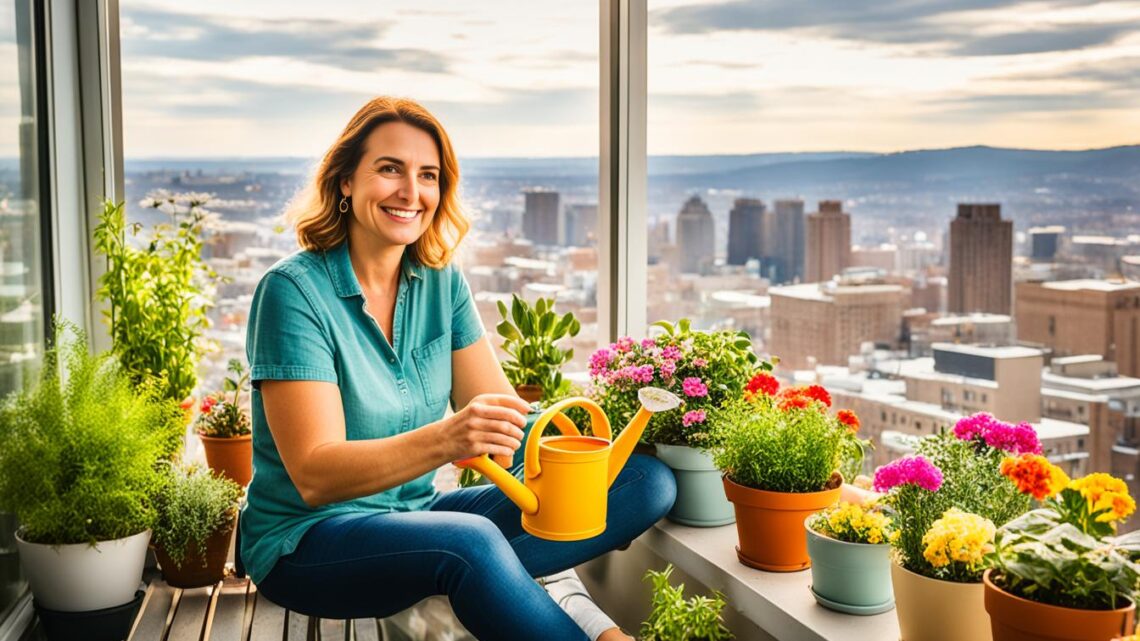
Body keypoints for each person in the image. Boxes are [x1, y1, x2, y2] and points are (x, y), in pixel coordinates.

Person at [240, 96, 676, 641]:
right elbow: (314, 475)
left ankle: (518, 588)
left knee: (642, 481)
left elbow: (502, 429)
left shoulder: (440, 282)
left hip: (416, 520)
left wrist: (578, 444)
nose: (411, 192)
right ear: (346, 181)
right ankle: (554, 604)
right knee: (468, 543)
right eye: (389, 169)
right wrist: (448, 438)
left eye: (428, 175)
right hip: (308, 543)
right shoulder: (294, 292)